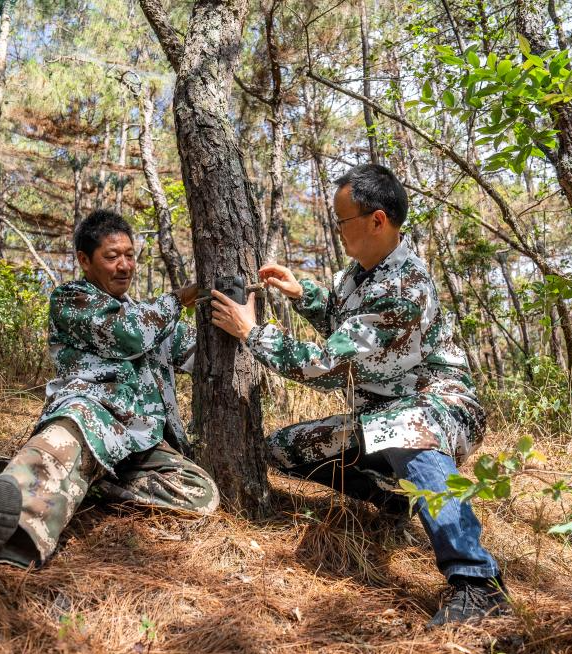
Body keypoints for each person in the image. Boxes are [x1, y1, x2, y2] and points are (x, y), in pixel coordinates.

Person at [208, 163, 507, 626]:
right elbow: (343, 323)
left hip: (438, 409)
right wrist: (300, 293)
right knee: (283, 449)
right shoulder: (360, 273)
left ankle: (475, 580)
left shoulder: (403, 288)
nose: (337, 231)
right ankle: (394, 498)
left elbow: (331, 364)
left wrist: (253, 333)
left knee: (408, 429)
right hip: (379, 417)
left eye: (342, 221)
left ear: (377, 220)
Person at [0, 210, 219, 582]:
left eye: (129, 255)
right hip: (91, 417)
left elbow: (200, 356)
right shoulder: (72, 299)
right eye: (112, 256)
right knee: (62, 441)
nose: (124, 266)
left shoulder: (145, 315)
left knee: (201, 494)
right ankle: (7, 537)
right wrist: (179, 299)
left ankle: (83, 485)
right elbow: (128, 336)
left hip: (140, 442)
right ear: (84, 260)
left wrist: (242, 324)